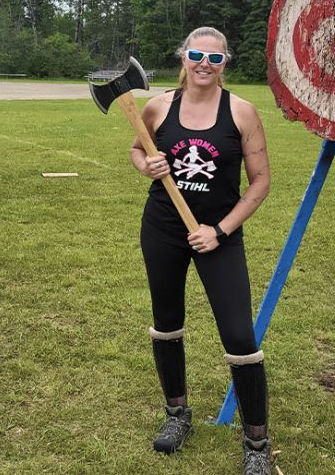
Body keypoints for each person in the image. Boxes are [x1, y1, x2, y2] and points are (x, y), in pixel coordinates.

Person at [130, 26, 273, 473]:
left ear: (225, 62)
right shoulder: (158, 107)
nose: (204, 65)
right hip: (163, 229)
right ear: (184, 57)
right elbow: (137, 149)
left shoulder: (242, 112)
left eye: (214, 57)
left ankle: (256, 444)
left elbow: (261, 183)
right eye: (196, 55)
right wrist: (147, 165)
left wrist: (220, 231)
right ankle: (177, 415)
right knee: (167, 322)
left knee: (239, 335)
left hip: (217, 237)